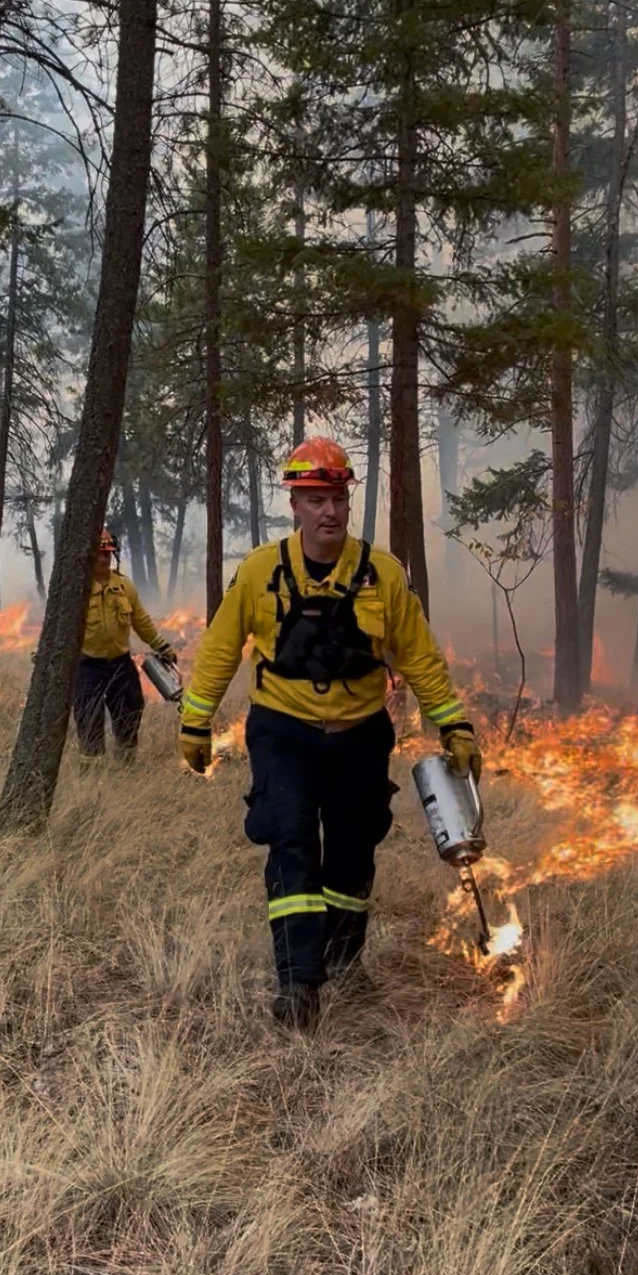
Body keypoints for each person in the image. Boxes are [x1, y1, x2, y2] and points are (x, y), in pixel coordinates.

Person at [178, 438, 481, 1029]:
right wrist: (196, 720)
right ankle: (297, 981)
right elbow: (220, 647)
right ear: (294, 504)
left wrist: (453, 722)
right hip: (282, 732)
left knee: (353, 846)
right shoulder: (262, 571)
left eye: (338, 497)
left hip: (360, 735)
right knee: (290, 840)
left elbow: (419, 657)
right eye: (316, 499)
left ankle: (344, 961)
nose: (330, 512)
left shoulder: (383, 575)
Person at [75, 527, 180, 757]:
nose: (103, 558)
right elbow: (60, 626)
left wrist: (162, 646)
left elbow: (141, 621)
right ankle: (91, 772)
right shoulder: (77, 589)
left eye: (108, 553)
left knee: (130, 712)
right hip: (88, 666)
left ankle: (126, 767)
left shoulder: (124, 587)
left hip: (120, 664)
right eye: (99, 553)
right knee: (88, 717)